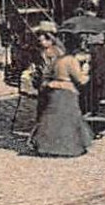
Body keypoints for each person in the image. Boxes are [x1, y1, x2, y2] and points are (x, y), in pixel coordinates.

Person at [30, 27, 94, 158]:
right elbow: (80, 80)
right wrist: (86, 72)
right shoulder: (70, 60)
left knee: (53, 120)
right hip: (67, 91)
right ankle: (68, 148)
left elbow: (47, 74)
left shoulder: (58, 60)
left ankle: (47, 146)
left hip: (54, 91)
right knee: (69, 121)